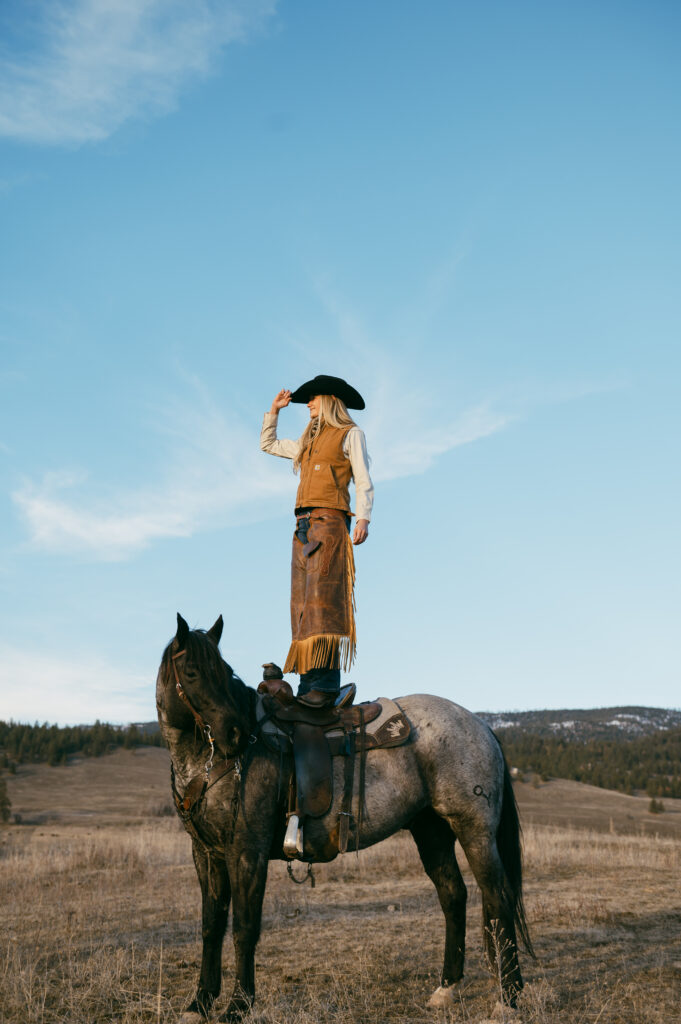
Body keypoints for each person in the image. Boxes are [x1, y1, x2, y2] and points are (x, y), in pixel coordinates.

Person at [260, 374, 374, 707]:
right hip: (303, 528)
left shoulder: (350, 435)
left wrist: (363, 517)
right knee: (302, 606)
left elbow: (364, 480)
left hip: (330, 523)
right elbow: (268, 445)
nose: (307, 403)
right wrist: (274, 412)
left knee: (325, 604)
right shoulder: (307, 441)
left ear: (327, 401)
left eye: (312, 398)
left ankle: (323, 688)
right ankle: (307, 684)